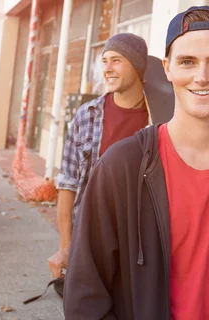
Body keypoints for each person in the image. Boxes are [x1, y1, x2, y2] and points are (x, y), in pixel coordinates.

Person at [64, 6, 209, 319]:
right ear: (168, 69)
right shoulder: (121, 167)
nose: (202, 76)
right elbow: (85, 294)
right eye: (188, 62)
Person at [48, 33, 150, 280]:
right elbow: (67, 183)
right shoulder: (87, 116)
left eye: (116, 60)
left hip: (142, 239)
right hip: (93, 233)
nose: (107, 69)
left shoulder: (159, 118)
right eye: (104, 61)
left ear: (136, 65)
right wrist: (66, 247)